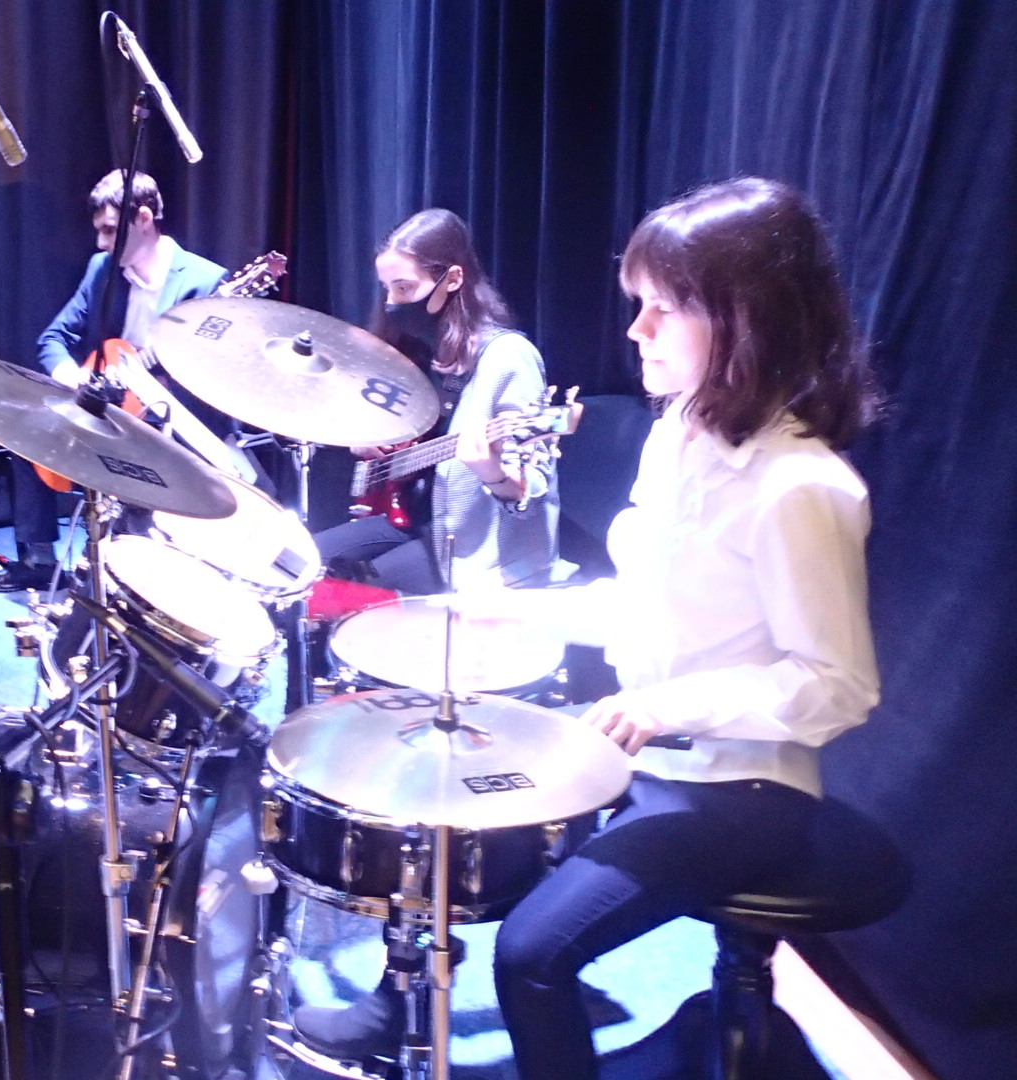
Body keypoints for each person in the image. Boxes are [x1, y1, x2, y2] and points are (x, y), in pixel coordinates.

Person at [297, 178, 881, 1077]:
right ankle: (398, 990)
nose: (635, 330)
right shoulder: (680, 433)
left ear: (745, 320)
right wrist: (499, 609)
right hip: (648, 750)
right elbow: (640, 602)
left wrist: (663, 707)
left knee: (530, 955)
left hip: (743, 787)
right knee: (444, 793)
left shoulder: (802, 487)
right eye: (636, 304)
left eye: (661, 309)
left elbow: (838, 686)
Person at [0, 168, 227, 592]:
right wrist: (72, 377)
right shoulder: (102, 270)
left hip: (166, 422)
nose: (101, 243)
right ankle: (39, 559)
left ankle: (134, 569)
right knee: (24, 425)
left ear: (144, 219)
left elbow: (216, 378)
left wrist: (164, 383)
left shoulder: (204, 281)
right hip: (110, 407)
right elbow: (53, 338)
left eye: (110, 231)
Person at [311, 209, 559, 597]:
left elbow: (534, 488)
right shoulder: (417, 351)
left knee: (355, 596)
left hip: (475, 547)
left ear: (453, 279)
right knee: (304, 563)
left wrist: (492, 472)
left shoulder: (508, 356)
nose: (392, 302)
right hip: (411, 517)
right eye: (387, 288)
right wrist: (368, 440)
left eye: (404, 288)